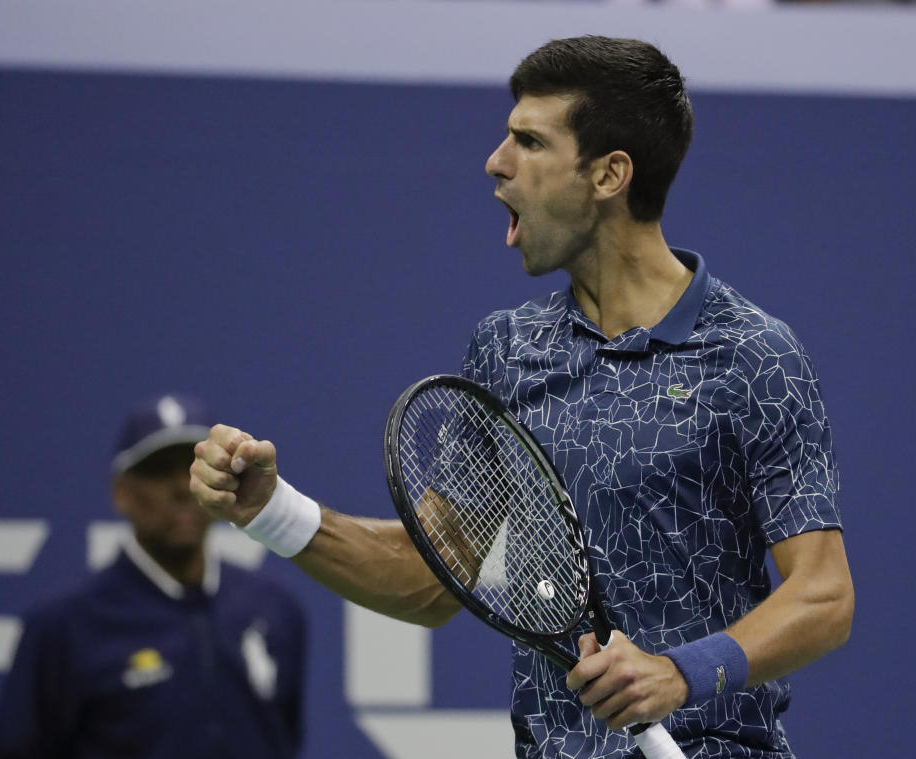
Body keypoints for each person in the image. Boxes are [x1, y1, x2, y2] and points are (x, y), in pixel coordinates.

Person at [190, 36, 854, 758]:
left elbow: (823, 595)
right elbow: (427, 578)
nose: (496, 162)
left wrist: (676, 673)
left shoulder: (753, 354)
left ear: (609, 174)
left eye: (529, 141)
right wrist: (270, 509)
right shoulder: (507, 351)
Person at [0, 393, 307, 759]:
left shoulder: (275, 610)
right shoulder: (63, 628)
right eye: (159, 471)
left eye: (195, 467)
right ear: (122, 493)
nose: (180, 488)